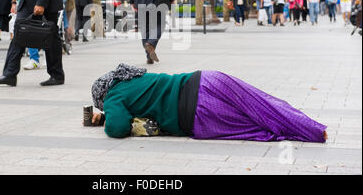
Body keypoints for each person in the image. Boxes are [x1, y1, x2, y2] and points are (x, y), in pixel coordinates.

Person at [89, 64, 328, 143]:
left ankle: (310, 135)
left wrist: (106, 117)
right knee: (262, 105)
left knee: (253, 128)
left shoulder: (113, 96)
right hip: (206, 79)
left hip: (197, 112)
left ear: (103, 95)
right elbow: (141, 101)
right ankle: (313, 127)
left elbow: (117, 127)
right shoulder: (131, 77)